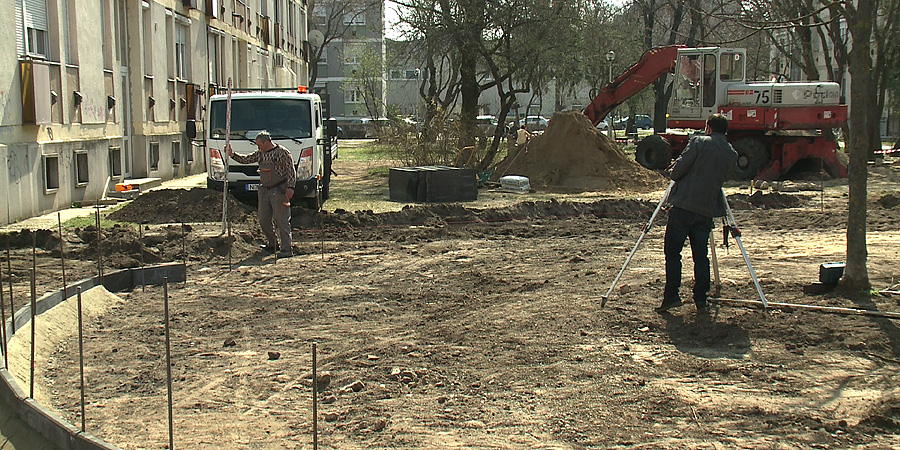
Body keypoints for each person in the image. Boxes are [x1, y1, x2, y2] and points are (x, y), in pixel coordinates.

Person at [657, 114, 738, 314]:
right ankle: (701, 298)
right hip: (706, 209)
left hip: (683, 205)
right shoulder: (731, 153)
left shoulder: (698, 142)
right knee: (701, 256)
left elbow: (678, 171)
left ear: (708, 127)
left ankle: (671, 296)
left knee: (673, 253)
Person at [226, 131, 295, 258]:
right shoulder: (260, 154)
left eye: (259, 144)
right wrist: (232, 155)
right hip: (264, 190)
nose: (258, 147)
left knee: (282, 220)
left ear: (267, 142)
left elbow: (291, 171)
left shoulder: (282, 153)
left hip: (279, 190)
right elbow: (246, 160)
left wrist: (290, 187)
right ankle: (272, 244)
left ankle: (287, 248)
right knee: (263, 219)